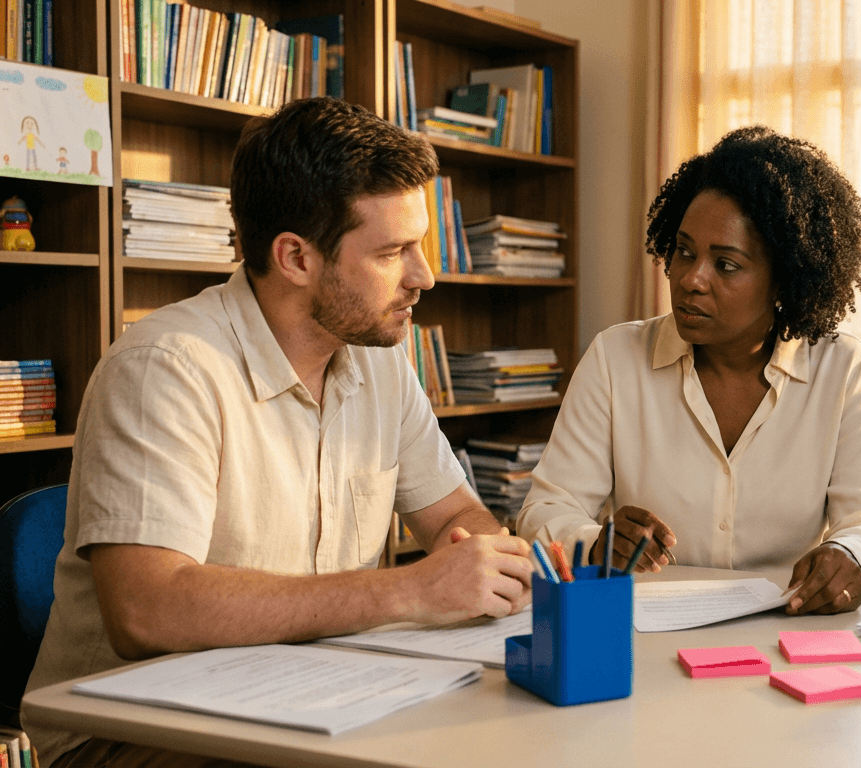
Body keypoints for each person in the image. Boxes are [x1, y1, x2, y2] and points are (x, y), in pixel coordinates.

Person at [25, 98, 534, 766]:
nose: (424, 276)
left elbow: (456, 519)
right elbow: (146, 611)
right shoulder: (165, 368)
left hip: (311, 698)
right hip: (132, 731)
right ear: (295, 256)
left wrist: (484, 560)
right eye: (393, 252)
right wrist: (411, 590)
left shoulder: (381, 364)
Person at [516, 126, 861, 614]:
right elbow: (545, 512)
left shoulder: (844, 370)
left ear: (784, 281)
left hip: (788, 627)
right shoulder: (615, 359)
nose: (690, 279)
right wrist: (595, 543)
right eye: (684, 251)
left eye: (725, 265)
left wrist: (850, 554)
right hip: (647, 633)